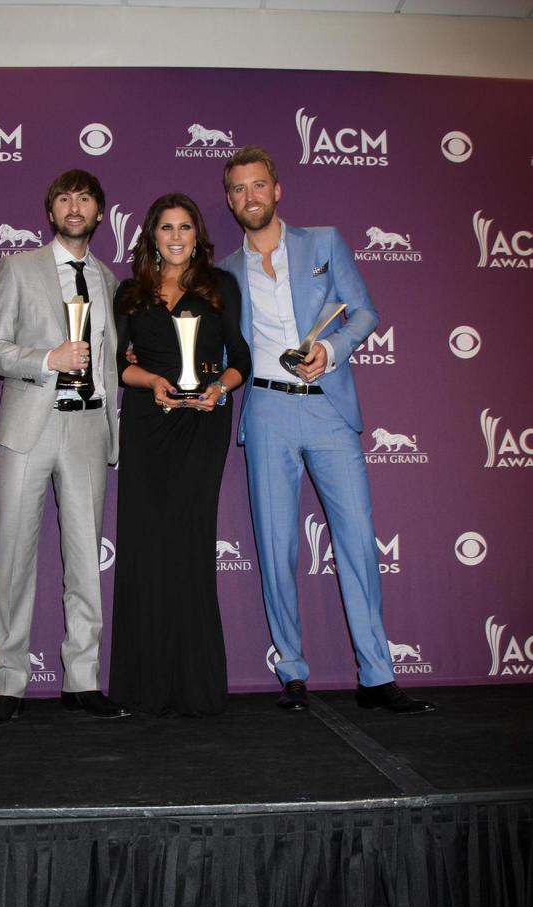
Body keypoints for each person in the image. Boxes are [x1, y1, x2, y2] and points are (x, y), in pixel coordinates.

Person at [219, 146, 435, 714]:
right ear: (230, 200)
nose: (251, 197)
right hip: (265, 411)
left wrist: (331, 350)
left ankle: (376, 675)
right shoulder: (224, 273)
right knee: (275, 546)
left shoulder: (324, 242)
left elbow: (364, 311)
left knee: (359, 542)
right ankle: (291, 671)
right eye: (239, 189)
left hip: (329, 408)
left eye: (259, 185)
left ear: (277, 189)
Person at [0, 169, 130, 726]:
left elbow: (115, 363)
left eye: (85, 198)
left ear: (99, 212)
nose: (74, 206)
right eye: (64, 198)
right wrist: (48, 359)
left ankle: (82, 680)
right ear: (50, 212)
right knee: (14, 553)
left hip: (89, 428)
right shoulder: (18, 269)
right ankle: (9, 682)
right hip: (30, 427)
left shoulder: (110, 281)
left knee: (86, 560)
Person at [109, 193, 251, 716]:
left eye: (185, 227)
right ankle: (142, 686)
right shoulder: (130, 293)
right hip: (147, 424)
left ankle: (196, 686)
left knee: (188, 544)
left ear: (197, 236)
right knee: (145, 546)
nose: (175, 236)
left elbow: (240, 358)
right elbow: (116, 365)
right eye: (165, 228)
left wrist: (222, 390)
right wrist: (150, 380)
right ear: (151, 236)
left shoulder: (221, 287)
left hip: (203, 423)